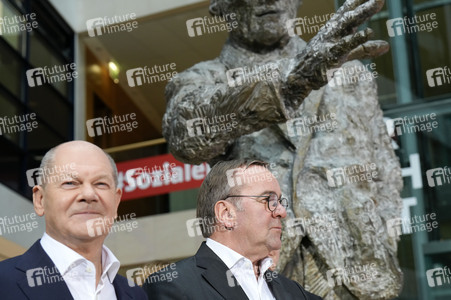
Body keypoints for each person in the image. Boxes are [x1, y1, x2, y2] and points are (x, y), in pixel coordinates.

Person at [162, 0, 403, 297]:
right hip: (261, 272)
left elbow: (386, 169)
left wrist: (383, 238)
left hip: (358, 272)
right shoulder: (201, 80)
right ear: (221, 6)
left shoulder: (352, 75)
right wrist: (290, 83)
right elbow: (184, 137)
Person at [142, 159, 322, 299]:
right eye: (269, 201)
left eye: (280, 202)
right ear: (227, 213)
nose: (282, 212)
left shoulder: (296, 293)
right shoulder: (172, 285)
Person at [0, 141, 147, 300]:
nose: (89, 194)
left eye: (101, 184)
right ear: (40, 200)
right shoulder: (4, 283)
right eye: (70, 183)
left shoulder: (135, 295)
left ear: (116, 202)